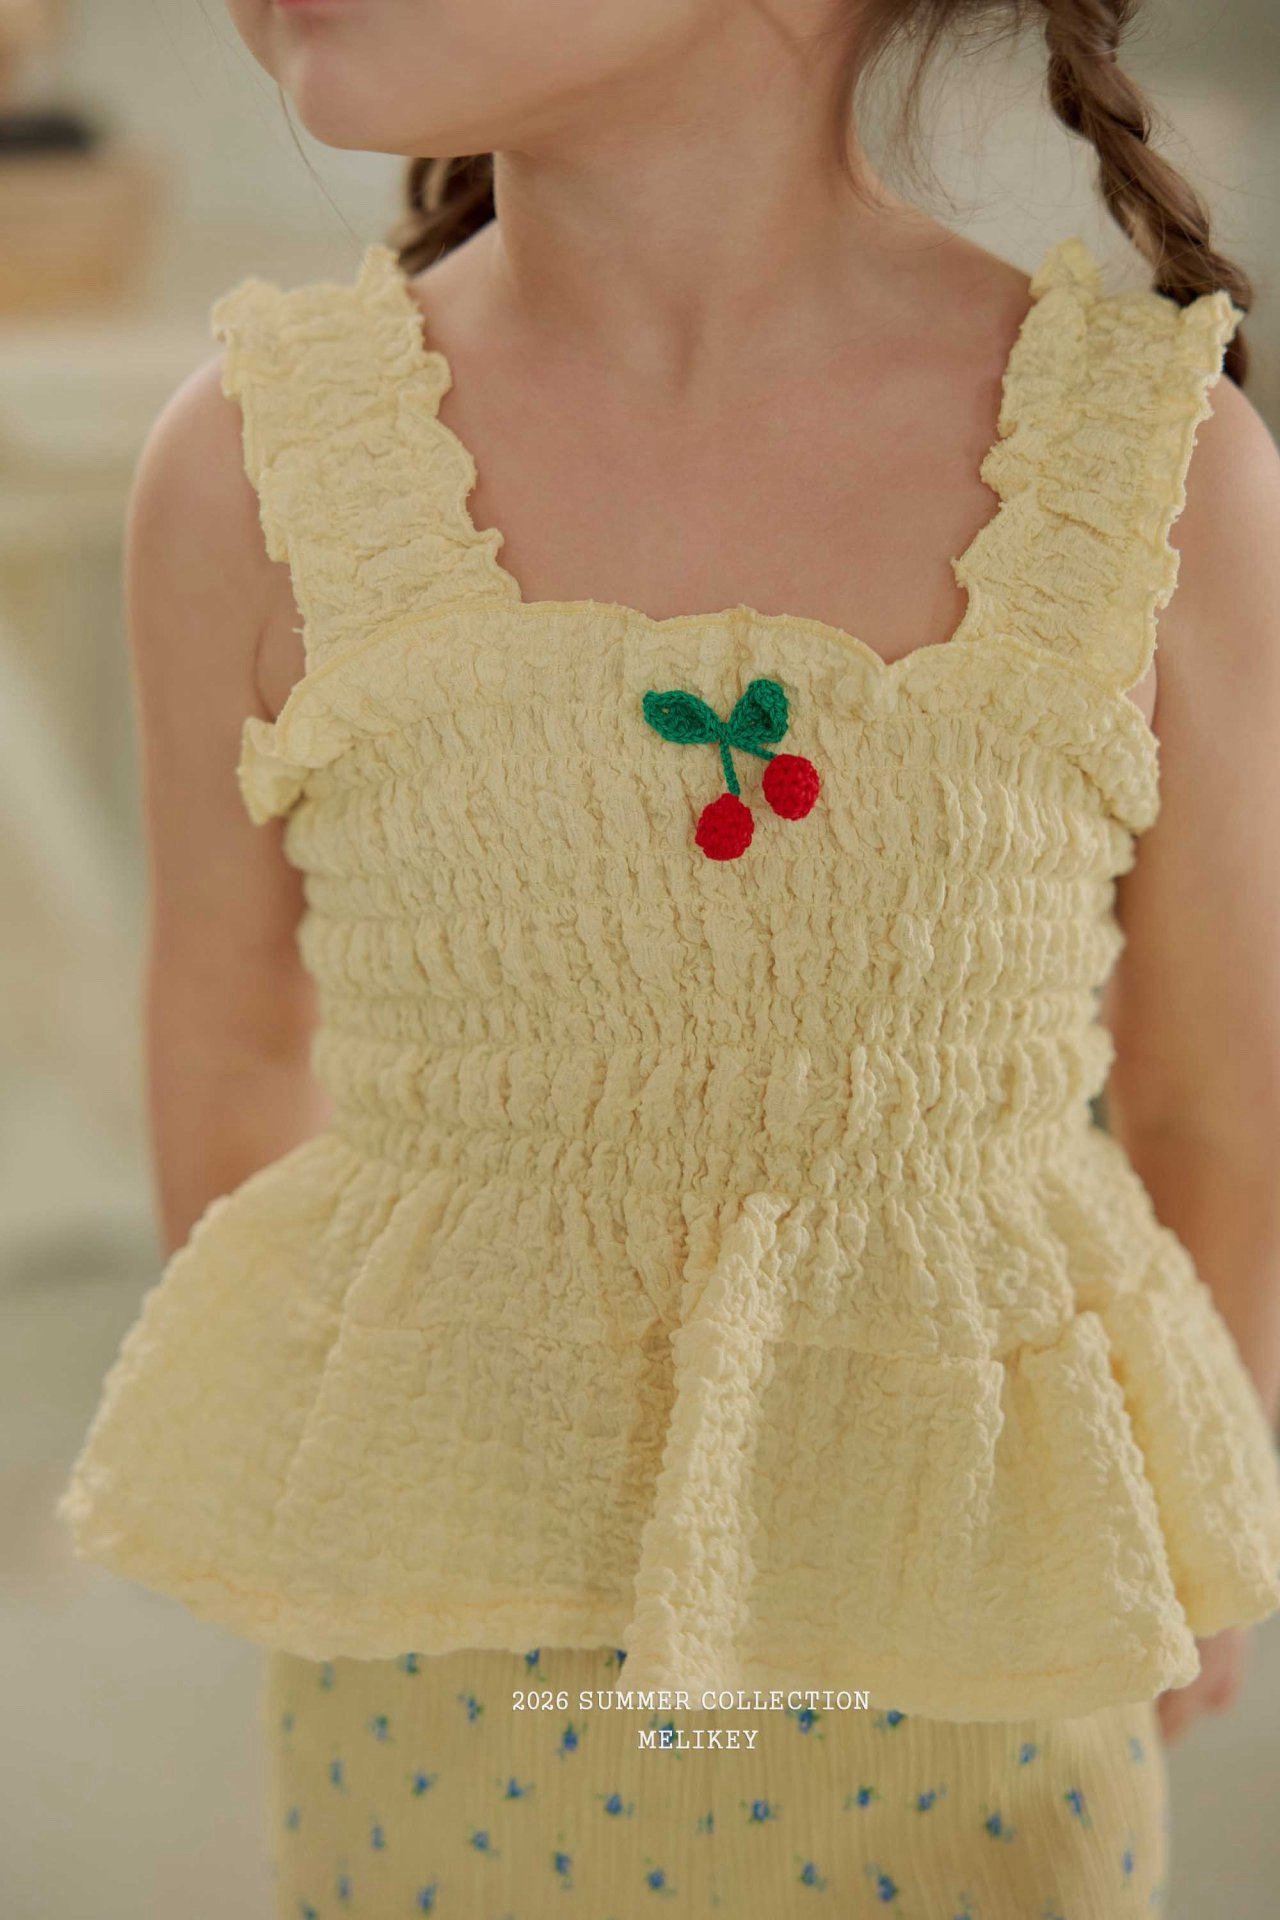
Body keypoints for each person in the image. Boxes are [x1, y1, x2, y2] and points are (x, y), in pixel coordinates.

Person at [57, 1, 1280, 1914]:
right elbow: (229, 1062)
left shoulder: (1148, 461)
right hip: (442, 1686)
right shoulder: (253, 466)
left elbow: (1218, 1093)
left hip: (981, 1658)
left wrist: (1195, 1525)